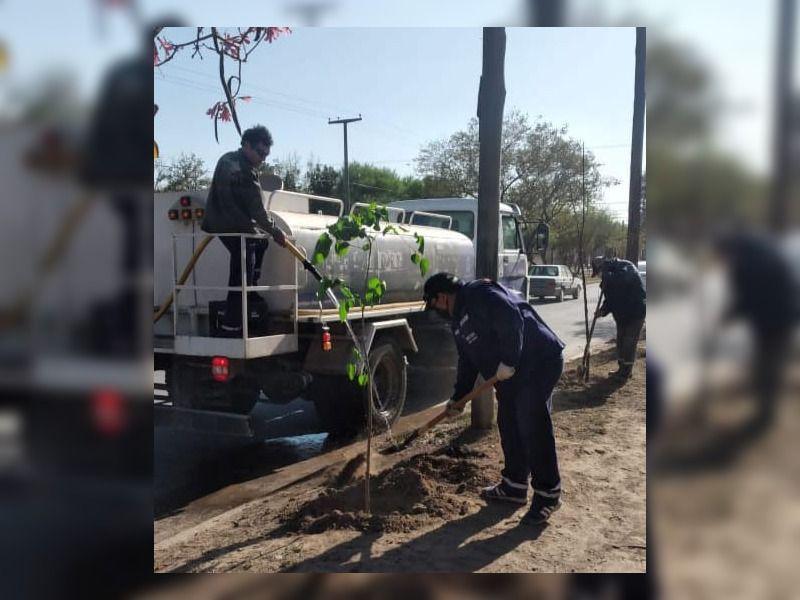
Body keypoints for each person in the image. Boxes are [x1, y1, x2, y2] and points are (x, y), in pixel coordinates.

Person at [423, 273, 566, 525]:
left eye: (433, 303)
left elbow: (512, 320)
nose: (435, 310)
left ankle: (548, 494)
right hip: (511, 373)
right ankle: (514, 485)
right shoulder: (457, 321)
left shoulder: (480, 294)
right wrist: (458, 398)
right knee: (508, 421)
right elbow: (467, 361)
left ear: (443, 297)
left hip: (538, 361)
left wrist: (509, 360)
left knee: (531, 422)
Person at [201, 125, 287, 335]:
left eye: (266, 155)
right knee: (244, 260)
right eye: (260, 152)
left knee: (258, 243)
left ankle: (251, 290)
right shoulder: (246, 172)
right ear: (246, 145)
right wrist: (276, 232)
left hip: (219, 222)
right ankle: (234, 318)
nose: (262, 159)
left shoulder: (226, 159)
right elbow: (258, 211)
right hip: (232, 224)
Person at [597, 258, 646, 379]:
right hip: (622, 316)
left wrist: (607, 278)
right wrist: (602, 311)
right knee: (620, 342)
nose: (599, 276)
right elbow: (610, 299)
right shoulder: (609, 279)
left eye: (599, 273)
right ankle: (621, 369)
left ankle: (626, 372)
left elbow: (623, 281)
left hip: (635, 314)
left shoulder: (626, 267)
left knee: (629, 343)